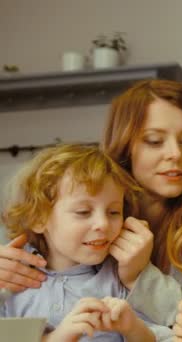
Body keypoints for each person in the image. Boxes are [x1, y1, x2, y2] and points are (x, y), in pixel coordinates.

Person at [0, 80, 182, 342]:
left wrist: (141, 277)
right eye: (154, 140)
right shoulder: (75, 195)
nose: (175, 154)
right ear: (124, 144)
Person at [0, 143, 171, 341]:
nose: (103, 224)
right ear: (38, 219)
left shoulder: (121, 279)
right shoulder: (11, 279)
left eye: (113, 212)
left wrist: (133, 328)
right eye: (83, 212)